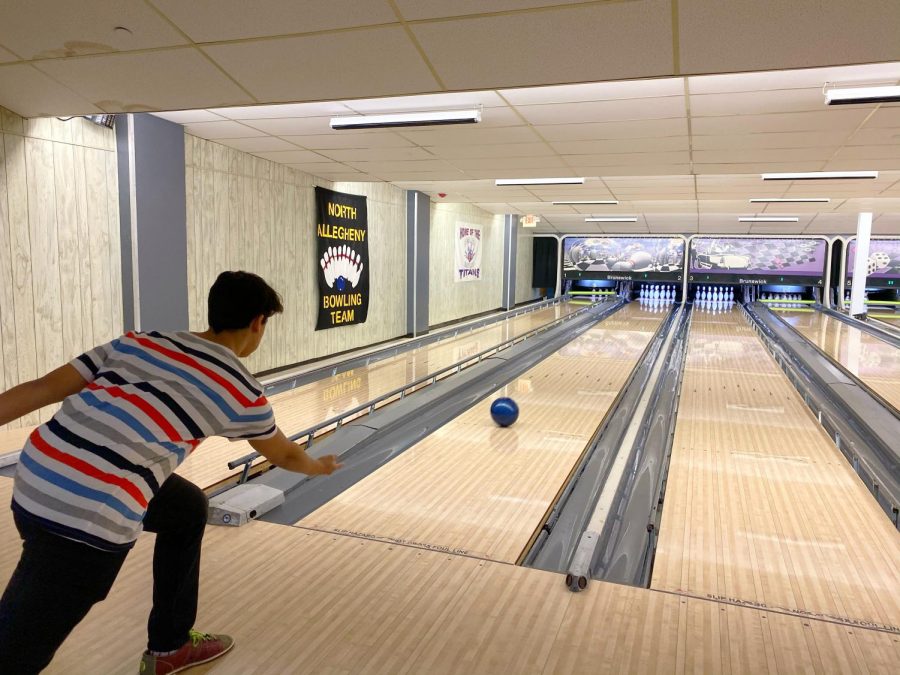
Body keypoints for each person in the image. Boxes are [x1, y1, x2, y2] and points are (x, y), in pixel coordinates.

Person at [0, 271, 341, 674]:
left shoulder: (141, 341)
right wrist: (317, 466)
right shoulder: (240, 389)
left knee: (185, 507)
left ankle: (170, 646)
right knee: (17, 652)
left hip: (37, 473)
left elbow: (42, 388)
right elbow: (283, 454)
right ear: (258, 322)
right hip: (88, 515)